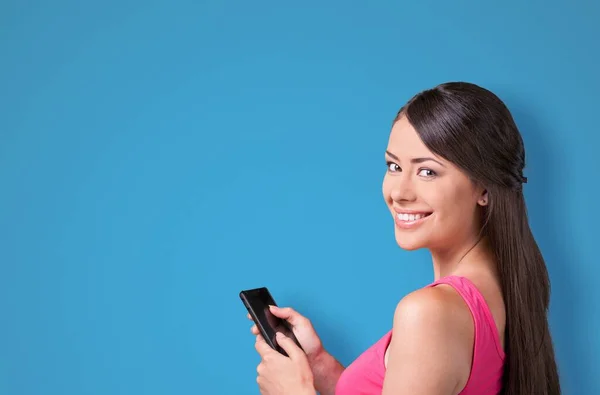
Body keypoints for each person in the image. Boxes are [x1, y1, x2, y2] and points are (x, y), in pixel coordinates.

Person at [246, 82, 561, 395]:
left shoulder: (430, 313)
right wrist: (321, 368)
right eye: (394, 166)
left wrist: (293, 391)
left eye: (427, 172)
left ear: (483, 189)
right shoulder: (500, 288)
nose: (399, 192)